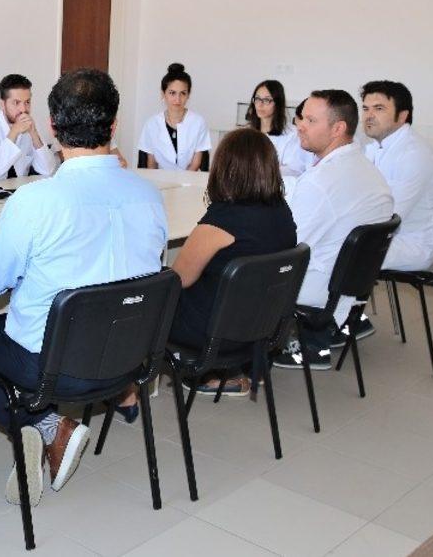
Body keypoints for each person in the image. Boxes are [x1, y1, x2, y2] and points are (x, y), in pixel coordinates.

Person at [0, 69, 168, 508]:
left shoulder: (36, 200)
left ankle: (46, 425)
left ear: (52, 126)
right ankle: (51, 427)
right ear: (114, 124)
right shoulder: (149, 196)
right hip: (128, 358)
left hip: (49, 363)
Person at [168, 128, 297, 395]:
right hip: (262, 326)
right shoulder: (283, 213)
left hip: (215, 333)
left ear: (224, 168)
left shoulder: (222, 221)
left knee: (151, 294)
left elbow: (177, 279)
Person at [273, 90, 393, 371]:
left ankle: (225, 358)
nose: (300, 126)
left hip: (316, 286)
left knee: (227, 267)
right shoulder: (368, 170)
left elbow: (285, 245)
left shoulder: (321, 181)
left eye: (310, 120)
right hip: (349, 286)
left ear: (338, 129)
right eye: (301, 118)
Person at [361, 80, 433, 271]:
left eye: (379, 109)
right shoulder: (374, 147)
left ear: (402, 116)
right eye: (366, 109)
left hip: (411, 244)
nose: (369, 116)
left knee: (333, 248)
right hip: (388, 236)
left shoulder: (415, 155)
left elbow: (389, 217)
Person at [0, 73, 59, 182]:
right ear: (2, 104)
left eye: (27, 102)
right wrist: (14, 132)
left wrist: (34, 135)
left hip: (15, 188)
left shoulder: (29, 125)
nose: (23, 109)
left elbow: (48, 170)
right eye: (16, 103)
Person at [138, 62, 211, 171]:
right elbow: (151, 165)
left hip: (190, 179)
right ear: (163, 93)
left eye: (183, 93)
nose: (177, 99)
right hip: (158, 180)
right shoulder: (151, 124)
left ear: (188, 94)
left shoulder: (198, 122)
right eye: (172, 93)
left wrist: (183, 181)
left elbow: (196, 164)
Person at [245, 79, 312, 177]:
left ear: (278, 103)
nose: (260, 105)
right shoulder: (247, 132)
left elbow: (295, 170)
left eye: (266, 100)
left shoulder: (292, 134)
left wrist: (260, 170)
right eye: (257, 99)